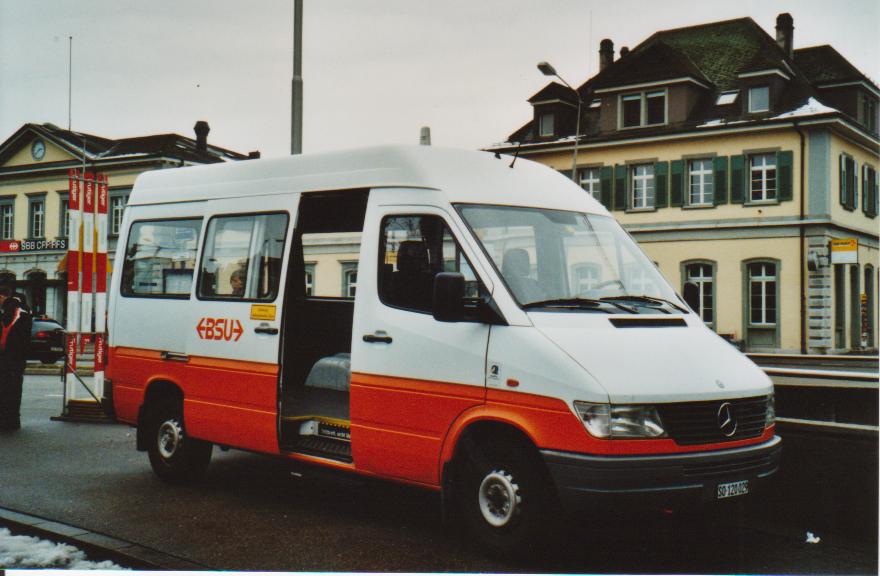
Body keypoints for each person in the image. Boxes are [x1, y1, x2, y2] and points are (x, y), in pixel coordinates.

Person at [0, 285, 32, 431]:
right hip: (19, 357)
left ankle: (5, 422)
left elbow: (5, 334)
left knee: (5, 389)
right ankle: (13, 421)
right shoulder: (25, 309)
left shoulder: (8, 311)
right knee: (15, 388)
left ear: (2, 297)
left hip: (6, 357)